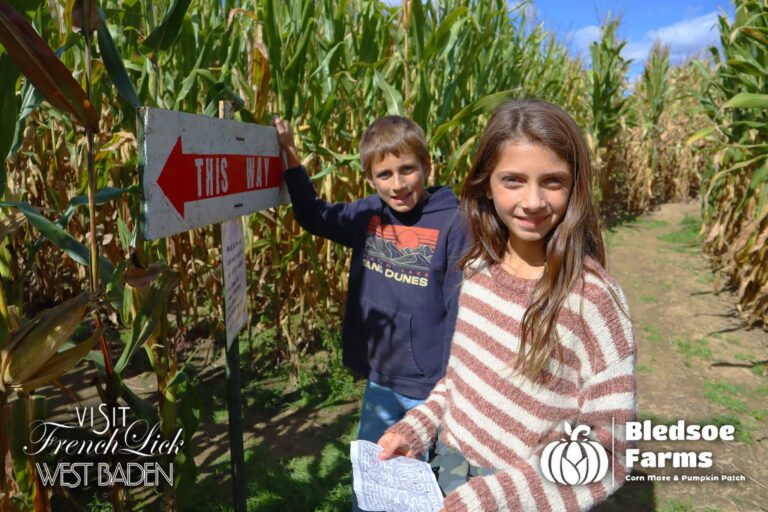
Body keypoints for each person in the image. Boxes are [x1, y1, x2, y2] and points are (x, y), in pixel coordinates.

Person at [377, 99, 636, 511]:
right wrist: (415, 429)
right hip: (445, 475)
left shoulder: (593, 299)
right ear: (486, 184)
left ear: (576, 186)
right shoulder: (479, 267)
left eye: (553, 181)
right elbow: (460, 382)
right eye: (513, 180)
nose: (532, 201)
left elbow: (609, 450)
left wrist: (488, 499)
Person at [273, 114, 468, 459]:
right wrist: (289, 152)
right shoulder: (368, 214)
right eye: (384, 175)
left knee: (422, 486)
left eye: (407, 169)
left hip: (428, 390)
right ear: (370, 178)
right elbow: (314, 216)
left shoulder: (453, 223)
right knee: (372, 473)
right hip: (381, 381)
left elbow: (459, 308)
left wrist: (450, 384)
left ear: (427, 166)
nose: (398, 185)